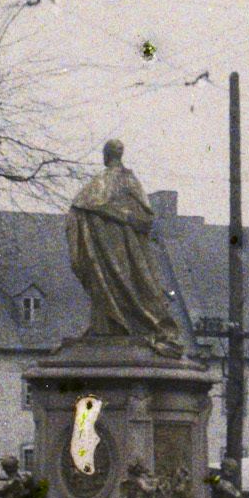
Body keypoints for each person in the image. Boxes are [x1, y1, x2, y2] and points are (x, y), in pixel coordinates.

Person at [66, 140, 184, 357]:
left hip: (103, 253)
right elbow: (146, 217)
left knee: (108, 285)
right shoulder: (129, 181)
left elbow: (77, 210)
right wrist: (126, 217)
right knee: (133, 284)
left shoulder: (96, 185)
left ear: (105, 155)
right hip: (127, 251)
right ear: (120, 155)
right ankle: (121, 325)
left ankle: (114, 325)